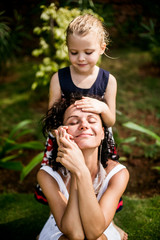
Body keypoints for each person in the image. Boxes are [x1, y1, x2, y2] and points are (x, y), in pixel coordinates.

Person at [37, 94, 129, 240]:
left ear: (103, 134)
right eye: (73, 122)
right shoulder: (48, 175)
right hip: (60, 229)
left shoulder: (118, 174)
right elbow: (74, 233)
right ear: (61, 133)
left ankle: (113, 226)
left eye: (92, 120)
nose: (84, 125)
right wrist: (76, 172)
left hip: (100, 226)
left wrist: (81, 170)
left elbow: (94, 233)